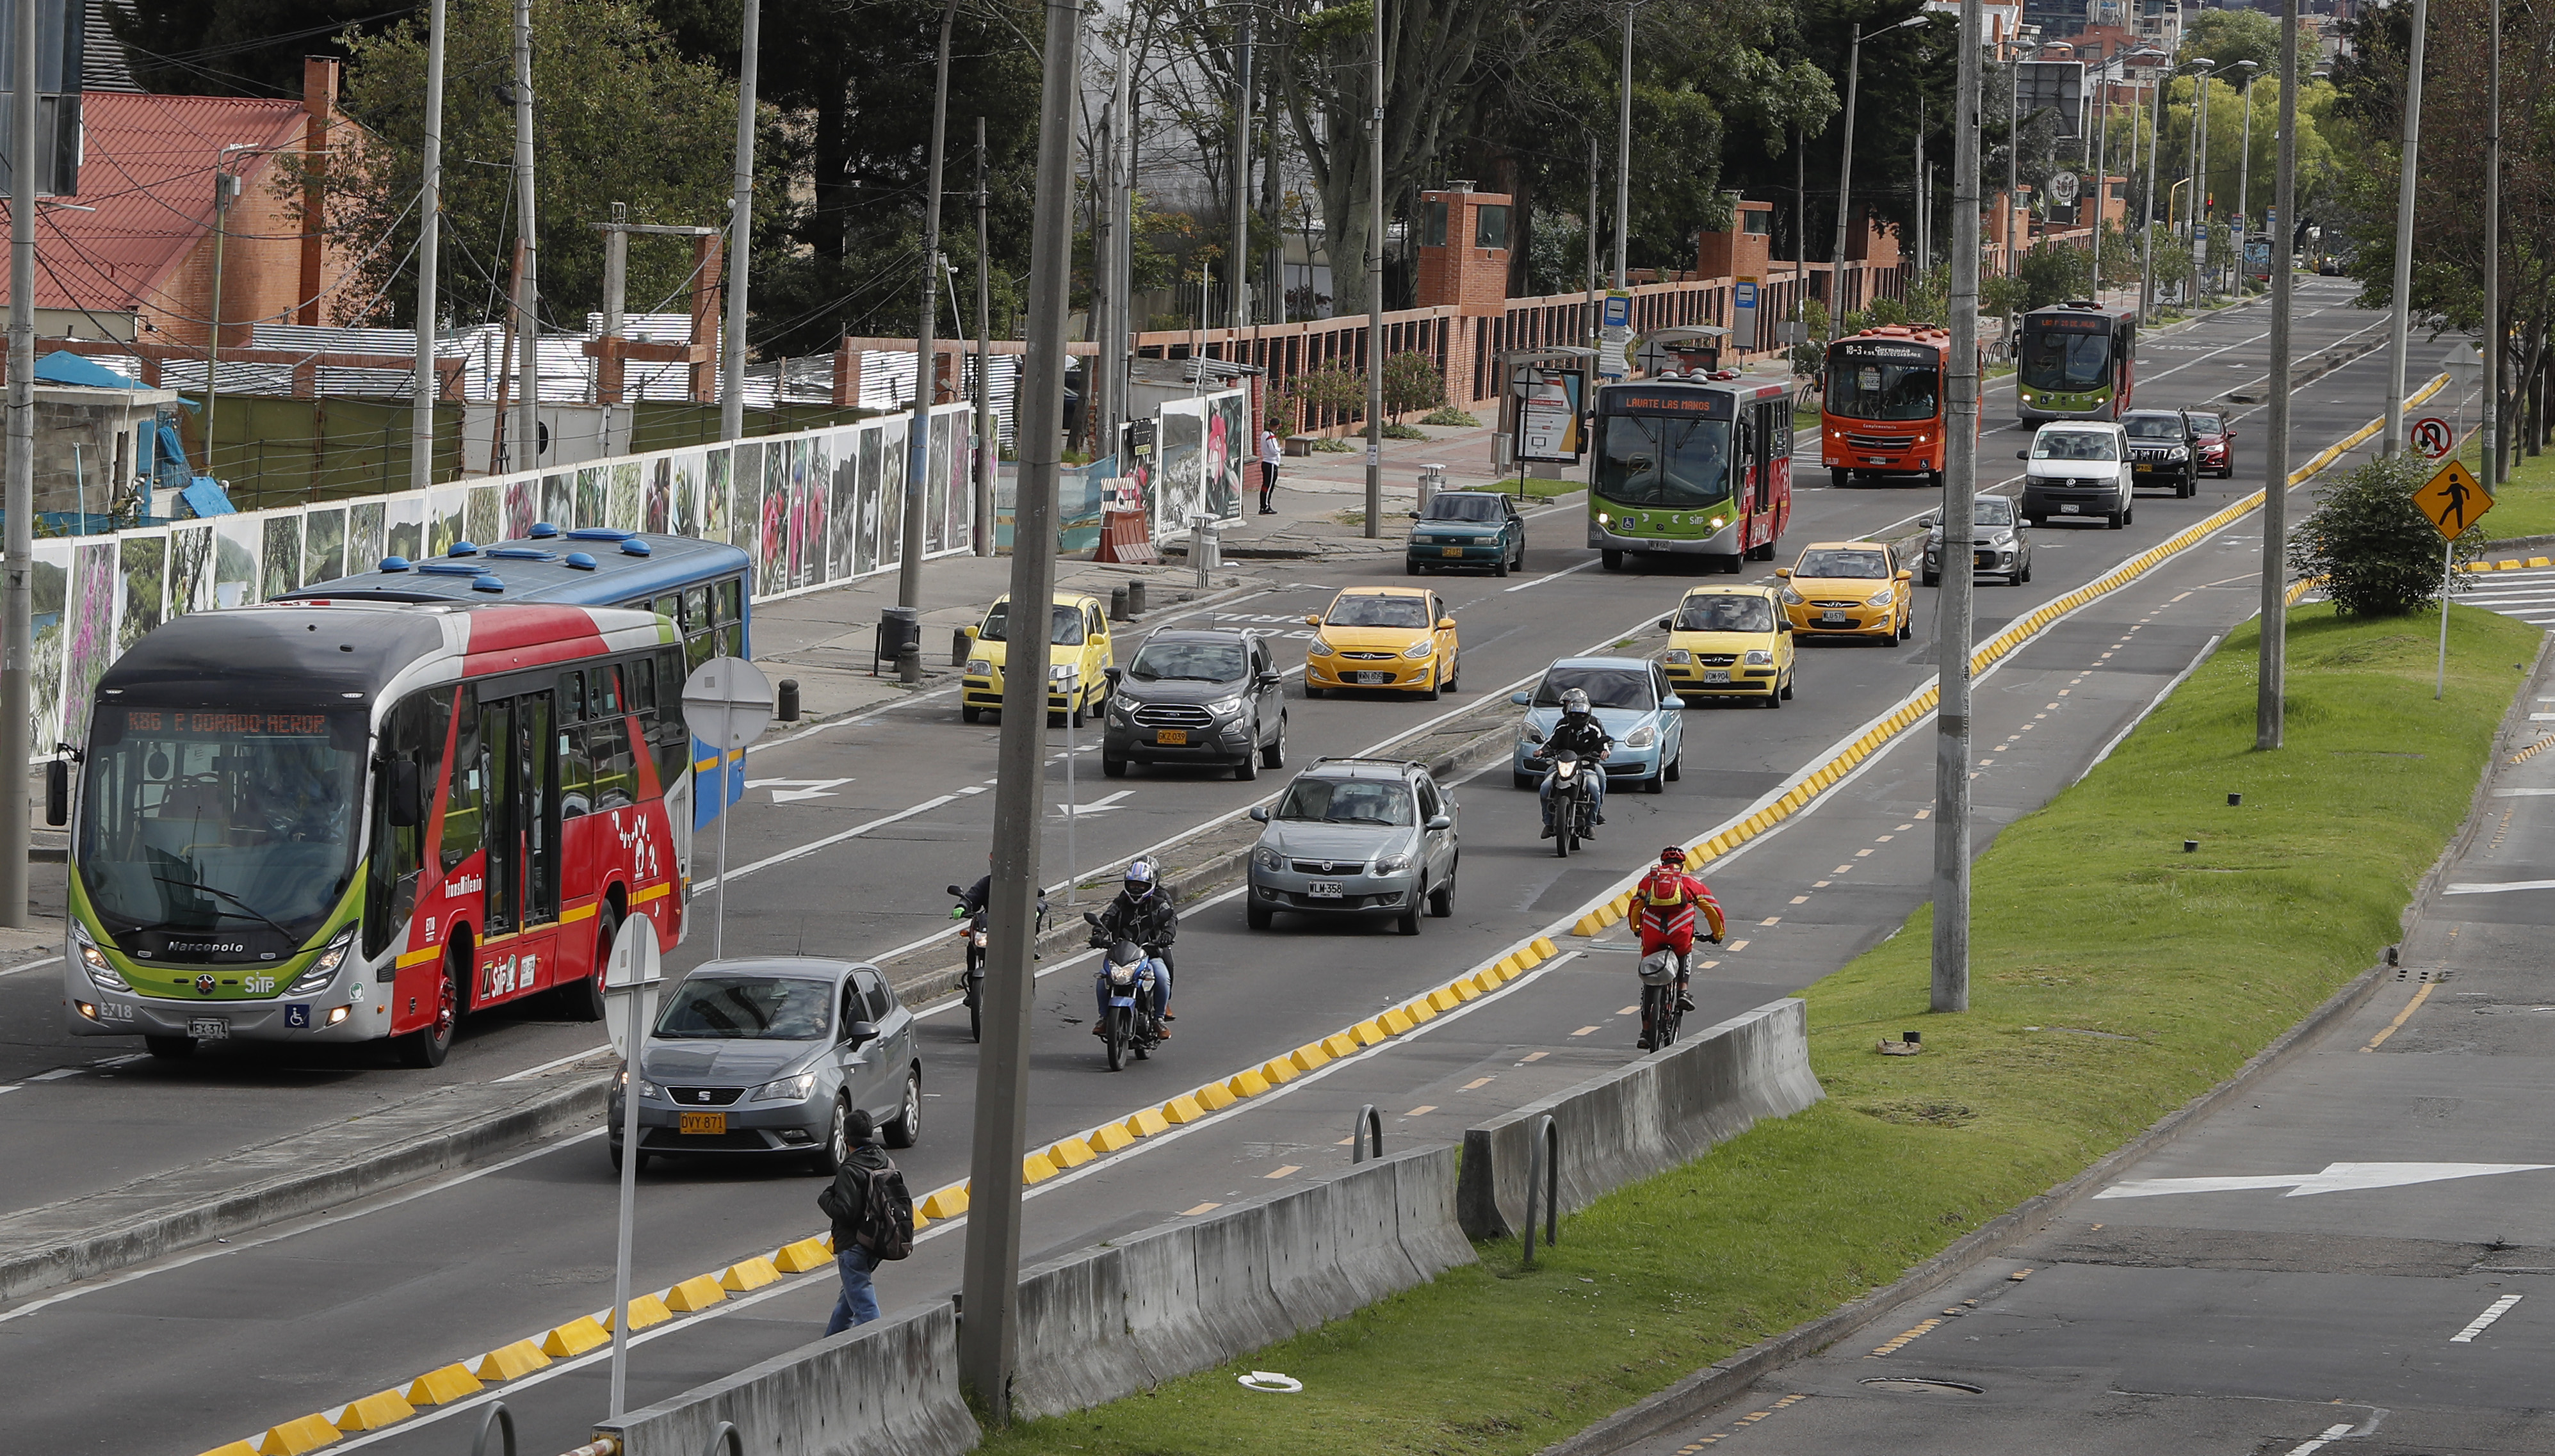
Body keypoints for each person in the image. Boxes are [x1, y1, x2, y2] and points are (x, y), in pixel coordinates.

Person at [817, 1109, 908, 1334]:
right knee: (849, 1299)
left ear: (846, 1138)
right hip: (877, 1240)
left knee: (863, 1304)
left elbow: (845, 1212)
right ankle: (830, 1343)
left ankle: (877, 1344)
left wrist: (826, 1198)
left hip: (853, 1244)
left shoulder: (850, 1169)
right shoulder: (885, 1161)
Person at [1634, 846, 1724, 1032]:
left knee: (1650, 976)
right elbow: (1713, 910)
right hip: (1680, 933)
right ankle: (1683, 991)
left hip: (1652, 934)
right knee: (1685, 952)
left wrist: (1636, 928)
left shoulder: (1648, 881)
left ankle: (1645, 1031)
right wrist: (1717, 935)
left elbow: (1635, 906)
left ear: (1662, 864)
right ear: (1682, 866)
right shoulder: (1691, 882)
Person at [1091, 859, 1176, 1037]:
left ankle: (1158, 1020)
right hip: (1121, 956)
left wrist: (1167, 934)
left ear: (1151, 885)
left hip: (1150, 955)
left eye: (1141, 886)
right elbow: (1106, 919)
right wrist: (1098, 934)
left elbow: (1170, 920)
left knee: (1162, 977)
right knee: (1102, 979)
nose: (1136, 889)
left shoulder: (1160, 903)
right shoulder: (1120, 903)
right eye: (1133, 885)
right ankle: (1104, 1018)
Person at [1537, 688, 1613, 837]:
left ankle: (1593, 819)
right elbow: (1551, 741)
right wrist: (1542, 751)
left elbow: (1603, 742)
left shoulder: (1594, 726)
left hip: (1586, 765)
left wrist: (1604, 752)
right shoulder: (1562, 725)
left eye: (1581, 714)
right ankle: (1548, 822)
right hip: (1562, 764)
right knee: (1545, 787)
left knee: (1596, 784)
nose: (1577, 717)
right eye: (1572, 711)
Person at [1258, 426, 1283, 514]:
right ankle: (1265, 506)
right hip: (1271, 463)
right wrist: (1280, 449)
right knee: (1269, 486)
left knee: (1266, 485)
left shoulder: (1264, 434)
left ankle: (1264, 505)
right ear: (1277, 426)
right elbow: (1273, 450)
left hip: (1266, 462)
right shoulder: (1270, 436)